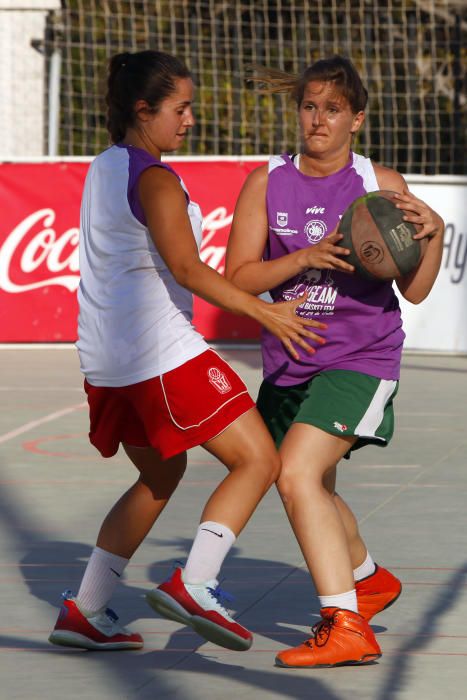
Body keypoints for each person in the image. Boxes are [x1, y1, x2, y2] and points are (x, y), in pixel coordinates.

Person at [48, 50, 326, 653]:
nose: (191, 119)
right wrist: (267, 312)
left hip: (105, 360)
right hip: (159, 354)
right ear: (142, 110)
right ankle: (195, 583)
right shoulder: (154, 177)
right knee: (259, 460)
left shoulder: (104, 167)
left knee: (160, 473)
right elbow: (186, 267)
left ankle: (87, 608)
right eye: (181, 108)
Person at [225, 55, 444, 668]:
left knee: (295, 475)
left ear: (356, 120)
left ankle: (345, 622)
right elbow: (237, 279)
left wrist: (439, 234)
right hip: (291, 360)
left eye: (333, 109)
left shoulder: (381, 184)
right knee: (309, 484)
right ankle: (368, 579)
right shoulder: (266, 182)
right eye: (309, 106)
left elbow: (418, 290)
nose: (318, 119)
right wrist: (302, 260)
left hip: (361, 357)